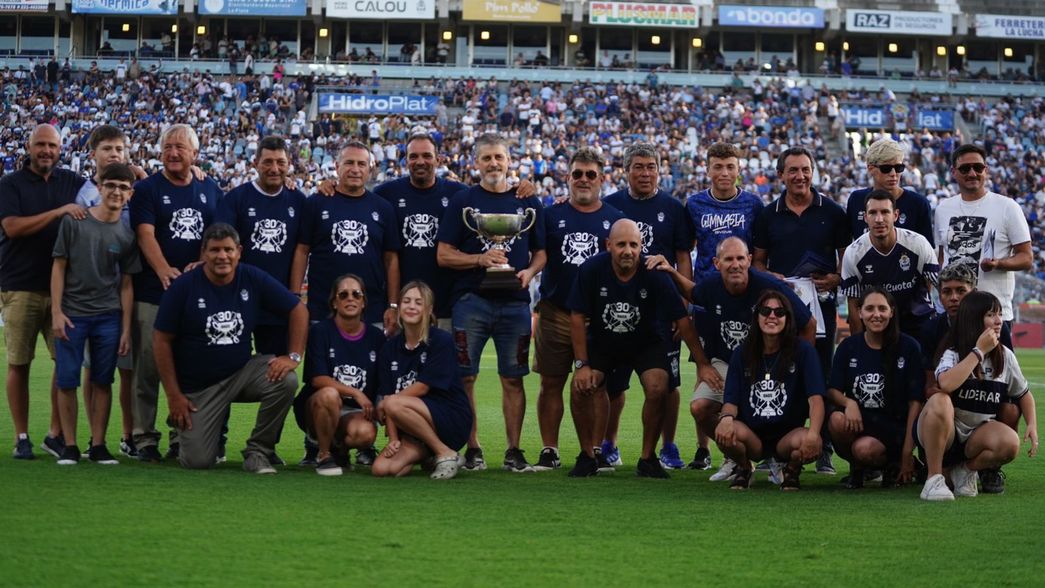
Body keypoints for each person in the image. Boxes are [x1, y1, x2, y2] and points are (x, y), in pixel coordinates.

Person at [652, 236, 815, 478]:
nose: (735, 264)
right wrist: (670, 270)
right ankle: (737, 459)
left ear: (749, 260)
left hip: (768, 365)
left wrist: (798, 366)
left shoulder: (770, 287)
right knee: (700, 407)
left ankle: (780, 460)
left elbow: (808, 324)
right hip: (728, 363)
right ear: (717, 263)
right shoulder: (712, 285)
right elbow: (693, 293)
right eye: (728, 259)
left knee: (776, 407)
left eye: (740, 258)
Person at [153, 223, 308, 473]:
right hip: (200, 387)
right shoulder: (184, 286)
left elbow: (298, 309)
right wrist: (174, 396)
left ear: (239, 251)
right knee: (198, 462)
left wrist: (294, 356)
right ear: (204, 253)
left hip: (241, 373)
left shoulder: (252, 277)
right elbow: (161, 340)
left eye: (228, 249)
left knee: (286, 380)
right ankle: (182, 428)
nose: (222, 256)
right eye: (215, 250)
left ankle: (258, 451)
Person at [436, 133, 546, 472]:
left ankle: (514, 450)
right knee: (465, 377)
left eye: (499, 157)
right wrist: (479, 260)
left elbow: (541, 253)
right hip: (471, 301)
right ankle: (473, 448)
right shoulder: (464, 201)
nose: (494, 163)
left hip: (515, 303)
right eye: (487, 158)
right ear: (476, 163)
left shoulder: (527, 201)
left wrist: (529, 272)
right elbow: (443, 254)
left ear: (509, 161)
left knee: (513, 378)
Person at [567, 219, 703, 478]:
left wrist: (703, 364)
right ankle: (587, 456)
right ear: (608, 245)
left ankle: (647, 457)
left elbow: (683, 320)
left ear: (642, 246)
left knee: (658, 386)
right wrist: (581, 364)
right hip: (604, 342)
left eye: (633, 245)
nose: (627, 251)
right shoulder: (591, 269)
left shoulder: (655, 272)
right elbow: (576, 315)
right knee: (580, 387)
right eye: (621, 245)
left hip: (645, 343)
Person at [752, 145, 850, 475]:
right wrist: (771, 278)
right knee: (777, 374)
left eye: (805, 169)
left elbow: (847, 259)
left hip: (822, 306)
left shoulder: (832, 211)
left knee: (821, 374)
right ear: (780, 174)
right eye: (793, 170)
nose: (800, 176)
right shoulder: (768, 214)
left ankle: (823, 448)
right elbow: (757, 262)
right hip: (779, 311)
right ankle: (772, 448)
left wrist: (835, 278)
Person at [129, 124, 224, 463]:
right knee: (146, 370)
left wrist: (202, 262)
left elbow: (217, 234)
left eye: (180, 147)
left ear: (194, 154)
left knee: (188, 371)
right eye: (168, 146)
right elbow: (145, 234)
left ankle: (179, 437)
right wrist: (163, 269)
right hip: (153, 293)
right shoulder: (147, 189)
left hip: (195, 298)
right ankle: (144, 438)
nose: (172, 153)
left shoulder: (209, 188)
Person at [603, 142, 694, 470]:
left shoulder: (673, 208)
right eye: (638, 167)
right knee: (614, 384)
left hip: (660, 314)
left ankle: (667, 446)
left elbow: (683, 256)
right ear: (626, 170)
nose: (645, 173)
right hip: (619, 311)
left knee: (667, 384)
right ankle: (609, 444)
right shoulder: (611, 205)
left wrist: (682, 304)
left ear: (659, 170)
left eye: (651, 166)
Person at [533, 147, 623, 471]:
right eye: (578, 174)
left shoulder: (615, 219)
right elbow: (537, 254)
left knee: (597, 384)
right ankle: (550, 449)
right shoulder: (550, 215)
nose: (584, 179)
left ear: (602, 178)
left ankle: (595, 450)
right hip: (556, 310)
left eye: (590, 174)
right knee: (551, 382)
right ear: (568, 177)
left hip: (596, 317)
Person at [1, 123, 87, 460]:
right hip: (20, 284)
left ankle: (54, 433)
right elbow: (12, 227)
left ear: (60, 148)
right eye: (40, 145)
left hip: (64, 290)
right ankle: (21, 435)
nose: (46, 151)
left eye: (52, 145)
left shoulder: (72, 182)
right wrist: (59, 212)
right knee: (19, 363)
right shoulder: (11, 184)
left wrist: (137, 172)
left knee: (63, 364)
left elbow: (110, 188)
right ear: (29, 147)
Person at [50, 163, 141, 465]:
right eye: (110, 185)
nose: (116, 192)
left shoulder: (126, 235)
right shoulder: (75, 222)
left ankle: (98, 444)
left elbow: (126, 284)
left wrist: (125, 329)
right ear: (99, 187)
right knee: (67, 380)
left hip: (108, 316)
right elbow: (58, 267)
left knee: (103, 380)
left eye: (123, 187)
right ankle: (70, 445)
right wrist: (57, 312)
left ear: (130, 194)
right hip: (73, 314)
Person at [917, 291, 1038, 501]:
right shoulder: (953, 352)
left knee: (1010, 443)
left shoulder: (1005, 356)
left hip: (976, 435)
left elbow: (1023, 393)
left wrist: (1032, 424)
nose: (999, 321)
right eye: (991, 315)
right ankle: (933, 479)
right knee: (940, 400)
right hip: (946, 434)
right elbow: (946, 384)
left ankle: (965, 471)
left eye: (999, 314)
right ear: (974, 319)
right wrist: (978, 352)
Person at [919, 261, 1016, 493]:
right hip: (947, 412)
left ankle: (987, 467)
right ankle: (936, 467)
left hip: (982, 411)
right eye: (946, 291)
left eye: (960, 290)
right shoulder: (931, 329)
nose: (953, 298)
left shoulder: (998, 328)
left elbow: (1005, 381)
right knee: (939, 400)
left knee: (1011, 407)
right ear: (939, 295)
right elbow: (931, 386)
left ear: (974, 292)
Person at [714, 291, 826, 490]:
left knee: (809, 439)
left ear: (788, 318)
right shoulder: (742, 352)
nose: (772, 316)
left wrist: (814, 433)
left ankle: (791, 469)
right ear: (757, 316)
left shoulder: (803, 351)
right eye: (765, 311)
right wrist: (726, 419)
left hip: (788, 435)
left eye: (779, 312)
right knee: (724, 431)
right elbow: (731, 399)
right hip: (752, 435)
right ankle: (744, 467)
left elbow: (815, 398)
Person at [290, 141, 400, 334]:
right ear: (337, 166)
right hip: (322, 309)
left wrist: (392, 305)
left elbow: (391, 259)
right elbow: (302, 251)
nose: (355, 169)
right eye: (349, 162)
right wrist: (295, 297)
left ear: (370, 169)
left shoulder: (383, 208)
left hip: (371, 311)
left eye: (361, 164)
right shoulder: (316, 203)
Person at [372, 281, 474, 480]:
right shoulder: (389, 348)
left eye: (418, 303)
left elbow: (421, 388)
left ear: (429, 309)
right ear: (399, 306)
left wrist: (388, 404)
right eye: (406, 301)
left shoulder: (441, 340)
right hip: (412, 426)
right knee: (382, 469)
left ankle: (445, 452)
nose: (411, 307)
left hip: (450, 419)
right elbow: (387, 394)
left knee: (393, 403)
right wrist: (393, 438)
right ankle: (429, 454)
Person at [827, 288, 924, 489]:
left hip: (894, 428)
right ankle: (858, 468)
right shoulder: (848, 347)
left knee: (864, 449)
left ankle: (895, 463)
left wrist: (907, 451)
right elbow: (832, 390)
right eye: (870, 309)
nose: (876, 314)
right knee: (836, 420)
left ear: (892, 312)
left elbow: (915, 402)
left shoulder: (909, 347)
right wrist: (849, 402)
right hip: (862, 422)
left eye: (882, 308)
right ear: (860, 313)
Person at [372, 133, 467, 330]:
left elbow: (490, 200)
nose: (420, 161)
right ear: (406, 160)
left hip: (447, 307)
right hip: (402, 306)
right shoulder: (385, 193)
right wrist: (330, 187)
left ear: (438, 159)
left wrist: (519, 189)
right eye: (414, 156)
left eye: (427, 156)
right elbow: (354, 201)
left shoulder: (459, 194)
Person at [293, 274, 384, 476]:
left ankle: (339, 451)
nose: (350, 299)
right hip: (319, 405)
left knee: (365, 434)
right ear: (334, 303)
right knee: (329, 394)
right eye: (343, 295)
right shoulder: (320, 331)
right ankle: (323, 454)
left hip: (353, 412)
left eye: (356, 294)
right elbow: (317, 378)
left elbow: (382, 381)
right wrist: (356, 393)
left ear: (363, 302)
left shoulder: (377, 337)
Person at [934, 144, 1032, 329]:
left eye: (978, 167)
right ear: (954, 172)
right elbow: (941, 257)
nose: (972, 173)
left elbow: (1026, 258)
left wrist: (998, 263)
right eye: (965, 168)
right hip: (952, 315)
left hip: (992, 314)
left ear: (986, 170)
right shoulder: (943, 209)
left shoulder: (1007, 207)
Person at [840, 190, 938, 338]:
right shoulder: (854, 253)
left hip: (917, 322)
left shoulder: (918, 243)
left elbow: (939, 285)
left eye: (885, 212)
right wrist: (859, 346)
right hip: (877, 325)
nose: (879, 219)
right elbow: (853, 305)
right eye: (873, 213)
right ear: (865, 217)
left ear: (895, 215)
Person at [686, 142, 765, 283]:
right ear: (708, 170)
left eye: (730, 167)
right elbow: (686, 249)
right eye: (718, 167)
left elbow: (760, 255)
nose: (724, 173)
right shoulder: (694, 204)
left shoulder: (754, 204)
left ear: (738, 170)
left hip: (744, 286)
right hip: (705, 286)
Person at [845, 138, 934, 244]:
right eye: (886, 168)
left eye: (899, 168)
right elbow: (847, 246)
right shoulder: (856, 200)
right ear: (870, 169)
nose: (893, 174)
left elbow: (927, 250)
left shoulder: (918, 204)